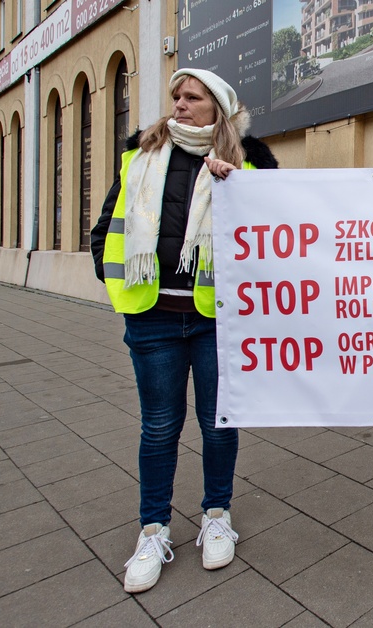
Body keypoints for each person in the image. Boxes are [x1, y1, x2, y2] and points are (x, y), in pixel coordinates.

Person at [90, 68, 278, 593]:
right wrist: (113, 286)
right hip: (151, 318)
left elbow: (276, 227)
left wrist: (236, 183)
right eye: (176, 96)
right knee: (159, 427)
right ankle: (153, 530)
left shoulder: (248, 161)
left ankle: (217, 517)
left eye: (192, 97)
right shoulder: (142, 154)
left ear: (217, 108)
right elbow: (108, 225)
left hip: (218, 320)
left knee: (218, 423)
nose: (179, 104)